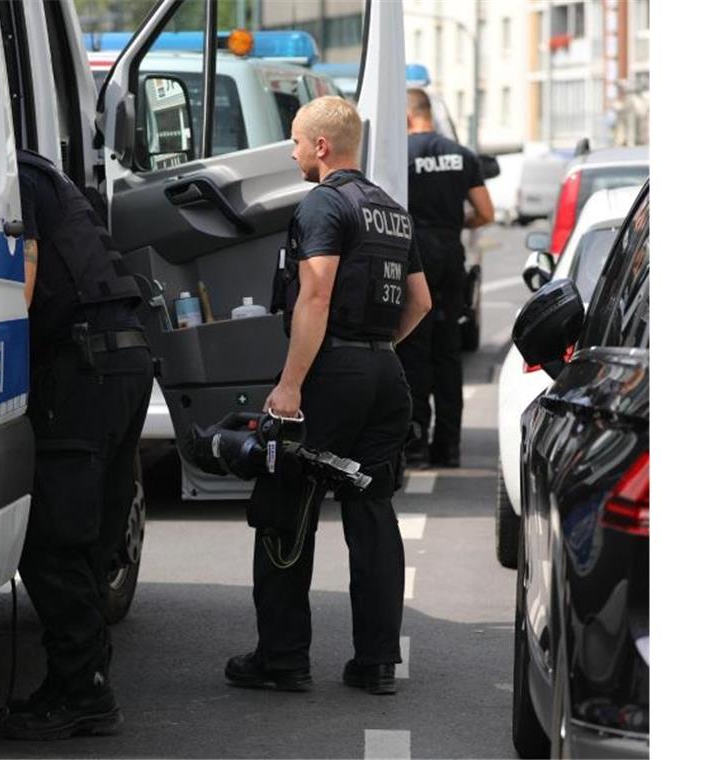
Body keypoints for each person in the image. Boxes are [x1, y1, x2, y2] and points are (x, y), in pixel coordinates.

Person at [224, 96, 432, 696]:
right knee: (372, 514)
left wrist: (291, 384)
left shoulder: (323, 203)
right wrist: (374, 349)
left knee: (285, 504)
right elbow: (420, 302)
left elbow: (314, 296)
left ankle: (282, 658)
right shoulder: (392, 209)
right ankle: (375, 664)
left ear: (321, 147)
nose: (291, 152)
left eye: (294, 142)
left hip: (333, 373)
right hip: (386, 377)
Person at [3, 149, 153, 740]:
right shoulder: (51, 176)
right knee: (88, 539)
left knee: (54, 540)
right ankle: (76, 683)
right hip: (124, 359)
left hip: (81, 370)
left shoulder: (11, 179)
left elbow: (24, 283)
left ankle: (84, 692)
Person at [398, 88, 494, 468]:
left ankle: (417, 444)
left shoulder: (400, 155)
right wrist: (456, 223)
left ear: (406, 117)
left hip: (415, 259)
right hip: (451, 257)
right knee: (449, 353)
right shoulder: (461, 155)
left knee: (414, 352)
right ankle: (448, 448)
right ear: (428, 114)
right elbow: (485, 212)